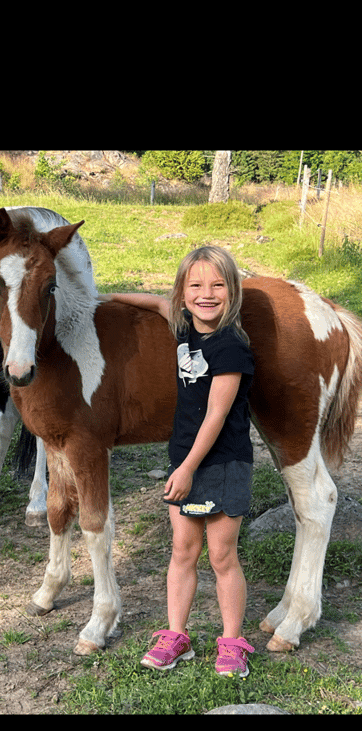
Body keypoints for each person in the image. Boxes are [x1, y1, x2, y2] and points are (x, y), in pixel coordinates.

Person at [105, 246, 255, 677]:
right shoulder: (185, 325)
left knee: (222, 556)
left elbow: (216, 414)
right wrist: (108, 298)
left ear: (233, 292)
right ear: (183, 295)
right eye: (196, 286)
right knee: (182, 551)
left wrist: (187, 468)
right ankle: (176, 636)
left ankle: (231, 642)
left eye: (217, 285)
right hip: (184, 460)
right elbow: (154, 303)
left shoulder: (231, 347)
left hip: (223, 462)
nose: (207, 294)